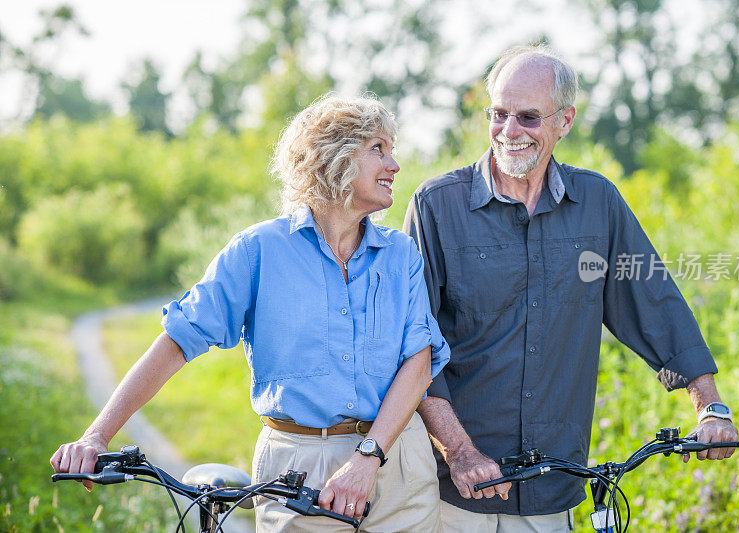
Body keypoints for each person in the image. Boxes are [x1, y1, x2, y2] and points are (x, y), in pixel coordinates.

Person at [51, 94, 450, 532]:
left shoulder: (400, 254)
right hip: (298, 473)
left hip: (399, 462)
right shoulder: (258, 251)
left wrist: (368, 457)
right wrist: (96, 435)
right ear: (331, 157)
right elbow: (177, 340)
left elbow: (419, 359)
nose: (394, 164)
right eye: (378, 149)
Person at [403, 45, 739, 532]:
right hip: (453, 493)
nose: (510, 132)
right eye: (498, 115)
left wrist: (709, 406)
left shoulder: (597, 203)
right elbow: (414, 341)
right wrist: (460, 452)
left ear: (565, 121)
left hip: (552, 488)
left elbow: (655, 305)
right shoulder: (437, 206)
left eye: (528, 118)